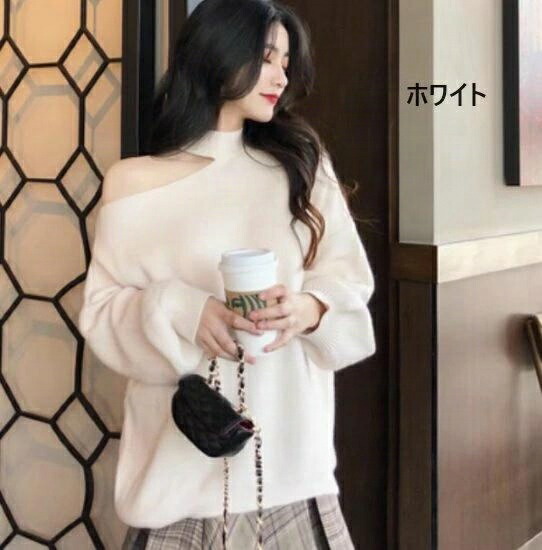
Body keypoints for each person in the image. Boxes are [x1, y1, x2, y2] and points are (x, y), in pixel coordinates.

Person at [77, 0, 376, 547]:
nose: (280, 76)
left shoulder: (302, 166)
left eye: (285, 62)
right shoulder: (134, 182)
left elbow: (349, 281)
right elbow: (101, 312)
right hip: (178, 471)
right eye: (266, 57)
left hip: (289, 471)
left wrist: (308, 310)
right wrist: (180, 310)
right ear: (218, 53)